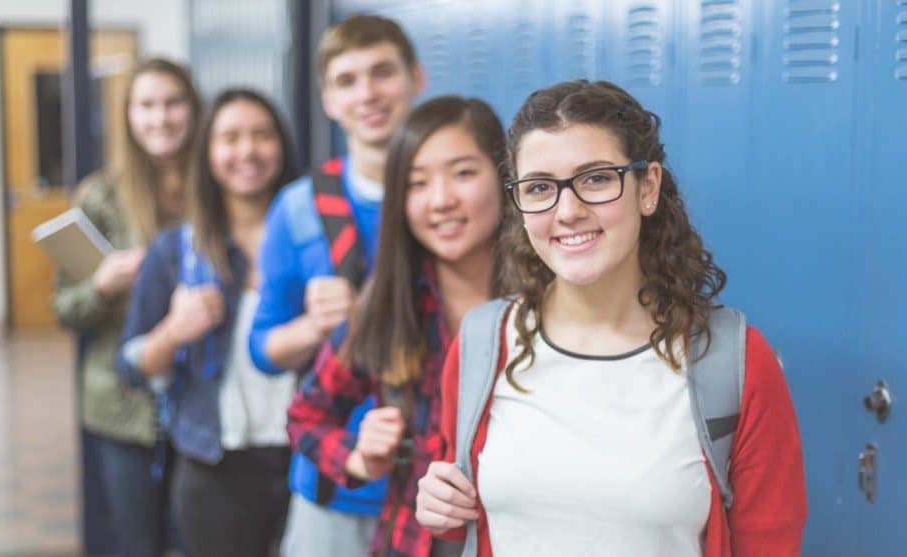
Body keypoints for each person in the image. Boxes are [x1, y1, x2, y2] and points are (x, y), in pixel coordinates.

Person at [414, 80, 807, 557]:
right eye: (539, 187)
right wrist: (441, 507)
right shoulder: (483, 343)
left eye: (596, 179)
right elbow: (469, 523)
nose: (568, 211)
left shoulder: (733, 361)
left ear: (648, 187)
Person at [287, 96, 507, 557]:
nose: (442, 200)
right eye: (417, 183)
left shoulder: (548, 305)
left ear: (504, 176)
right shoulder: (389, 306)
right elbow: (305, 416)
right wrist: (359, 458)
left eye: (463, 173)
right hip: (415, 544)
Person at [247, 14, 426, 557]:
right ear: (327, 99)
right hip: (335, 487)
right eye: (347, 81)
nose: (367, 94)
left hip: (440, 486)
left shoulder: (453, 201)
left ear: (416, 78)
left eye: (382, 73)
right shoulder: (298, 208)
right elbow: (263, 349)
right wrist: (312, 326)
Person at [115, 89, 300, 557]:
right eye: (230, 137)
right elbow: (131, 364)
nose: (247, 151)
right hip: (216, 466)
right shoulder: (176, 249)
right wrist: (174, 331)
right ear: (208, 154)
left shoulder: (314, 235)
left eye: (262, 135)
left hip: (310, 455)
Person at [52, 57, 200, 557]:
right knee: (138, 543)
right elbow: (65, 310)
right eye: (147, 105)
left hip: (202, 399)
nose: (161, 118)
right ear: (129, 116)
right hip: (121, 406)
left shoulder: (217, 188)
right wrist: (102, 284)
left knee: (200, 540)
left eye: (173, 103)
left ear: (193, 109)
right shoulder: (101, 197)